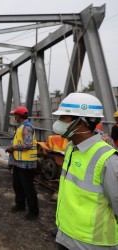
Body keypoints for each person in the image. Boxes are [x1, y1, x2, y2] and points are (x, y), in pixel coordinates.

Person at [53, 93, 118, 249]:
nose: (58, 122)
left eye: (64, 118)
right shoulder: (71, 148)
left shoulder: (108, 160)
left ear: (80, 123)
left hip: (92, 243)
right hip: (65, 234)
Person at [5, 106, 39, 220]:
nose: (14, 116)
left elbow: (28, 145)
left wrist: (12, 148)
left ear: (18, 116)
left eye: (15, 115)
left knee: (28, 188)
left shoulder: (27, 128)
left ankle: (33, 212)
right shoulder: (21, 127)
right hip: (19, 162)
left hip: (27, 163)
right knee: (17, 185)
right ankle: (20, 205)